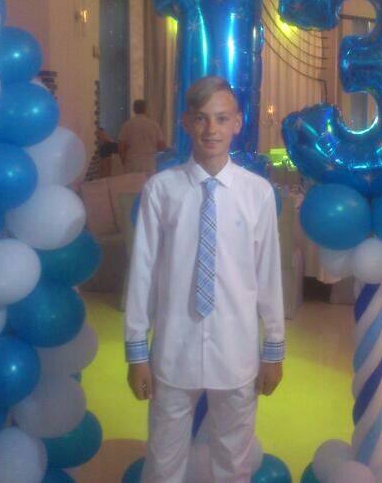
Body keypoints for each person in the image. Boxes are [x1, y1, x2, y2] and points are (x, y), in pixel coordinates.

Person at [124, 76, 285, 482]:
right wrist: (137, 353)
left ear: (238, 123)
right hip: (174, 350)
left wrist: (273, 350)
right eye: (201, 118)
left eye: (222, 118)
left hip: (236, 351)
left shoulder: (257, 193)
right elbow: (143, 273)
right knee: (163, 460)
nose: (211, 129)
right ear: (186, 122)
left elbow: (268, 276)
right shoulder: (162, 190)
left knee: (234, 461)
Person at [118, 99, 167, 175]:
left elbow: (121, 148)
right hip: (148, 163)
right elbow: (162, 147)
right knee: (148, 182)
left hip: (132, 163)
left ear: (134, 109)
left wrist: (124, 161)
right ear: (145, 109)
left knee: (132, 182)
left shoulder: (127, 125)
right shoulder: (154, 125)